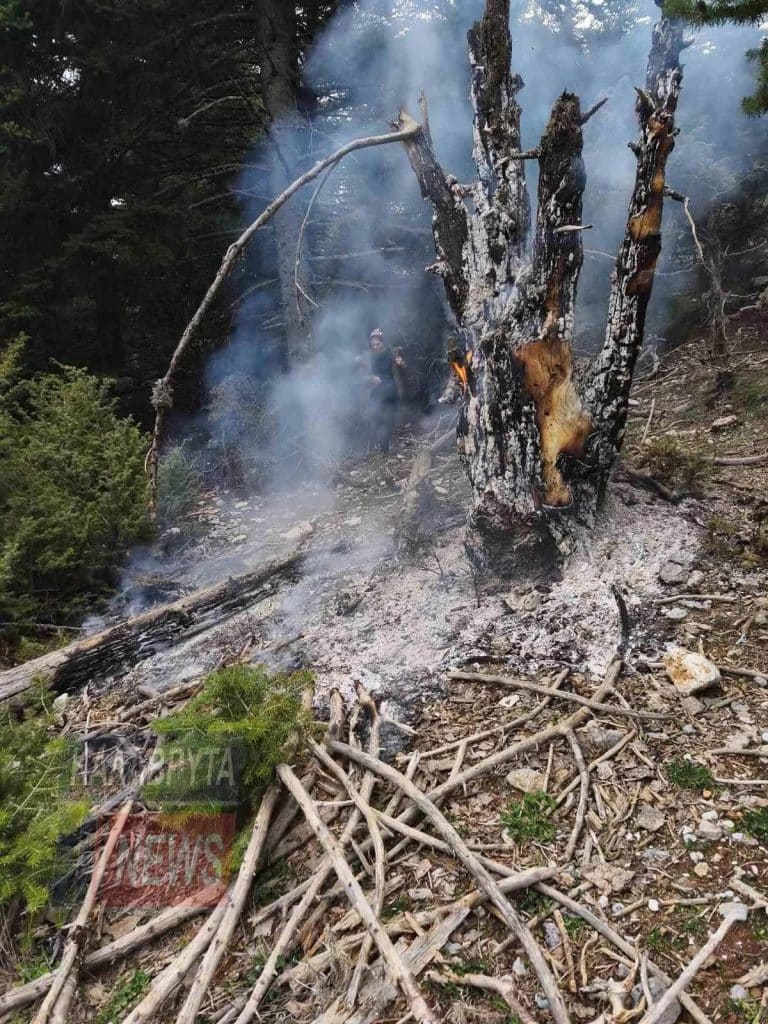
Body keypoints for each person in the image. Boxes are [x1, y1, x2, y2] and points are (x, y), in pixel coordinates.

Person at [366, 328, 405, 453]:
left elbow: (405, 371)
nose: (375, 347)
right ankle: (371, 450)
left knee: (388, 423)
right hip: (375, 394)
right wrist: (371, 378)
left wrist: (402, 364)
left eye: (377, 344)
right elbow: (361, 376)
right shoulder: (368, 357)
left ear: (383, 343)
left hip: (391, 394)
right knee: (374, 421)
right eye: (373, 345)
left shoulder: (392, 354)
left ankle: (384, 452)